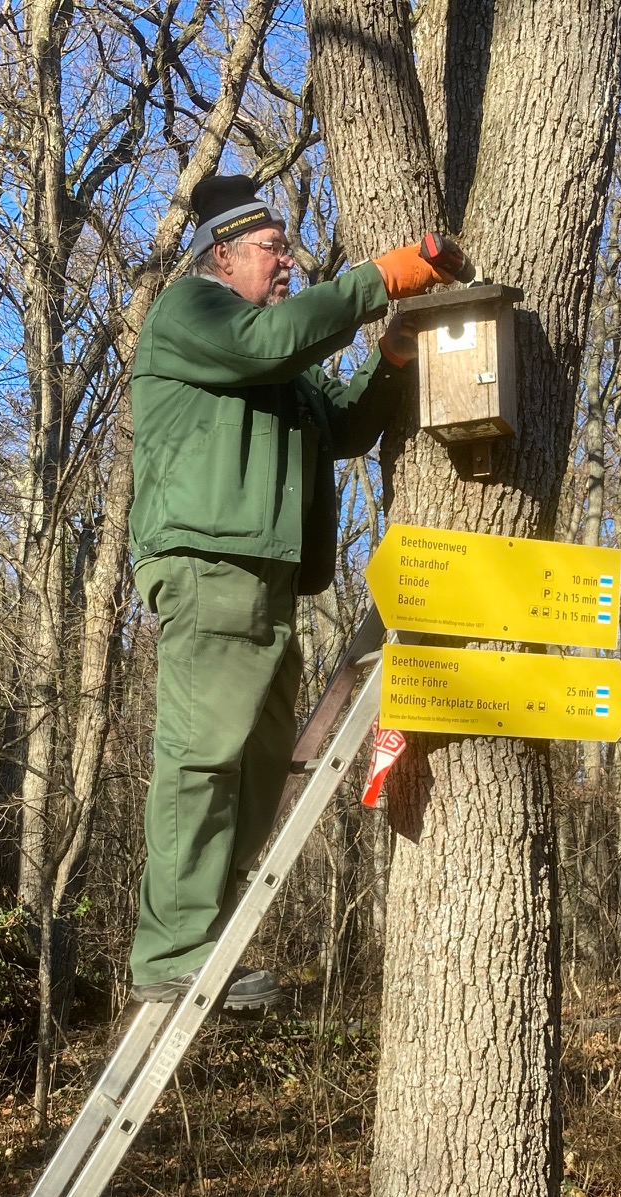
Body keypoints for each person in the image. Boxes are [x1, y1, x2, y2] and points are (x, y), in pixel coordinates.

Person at [126, 174, 453, 1005]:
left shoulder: (265, 354)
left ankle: (210, 936)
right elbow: (274, 344)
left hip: (266, 583)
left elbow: (337, 426)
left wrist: (391, 360)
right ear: (223, 254)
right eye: (274, 250)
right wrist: (379, 279)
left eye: (289, 251)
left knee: (259, 767)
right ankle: (172, 953)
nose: (288, 264)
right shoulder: (191, 314)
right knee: (204, 758)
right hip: (211, 566)